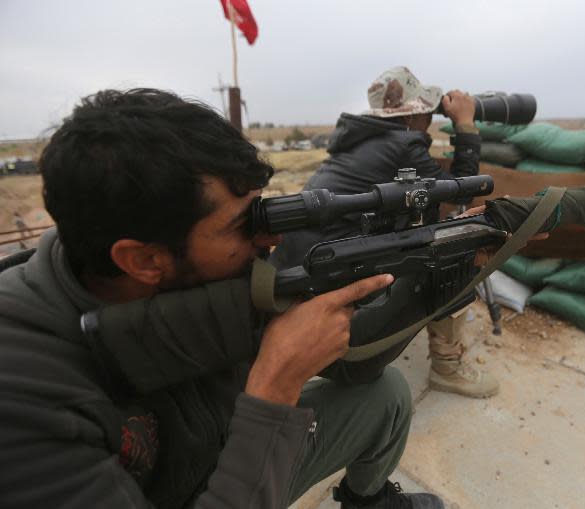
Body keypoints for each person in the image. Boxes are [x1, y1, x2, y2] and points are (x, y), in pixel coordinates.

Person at [0, 89, 445, 508]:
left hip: (222, 447)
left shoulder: (156, 268)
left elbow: (354, 359)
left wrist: (442, 272)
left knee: (384, 396)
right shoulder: (25, 403)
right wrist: (273, 393)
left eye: (260, 209)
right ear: (144, 260)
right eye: (239, 225)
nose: (268, 236)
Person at [272, 66, 500, 399]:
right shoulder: (404, 144)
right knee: (455, 254)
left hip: (297, 265)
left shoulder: (362, 141)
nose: (429, 120)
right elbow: (459, 192)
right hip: (328, 271)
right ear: (410, 117)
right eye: (425, 112)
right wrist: (464, 124)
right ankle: (448, 368)